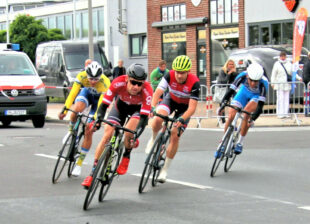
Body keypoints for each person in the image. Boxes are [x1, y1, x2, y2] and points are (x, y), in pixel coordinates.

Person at [81, 63, 153, 188]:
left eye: (139, 84)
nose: (136, 86)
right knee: (107, 135)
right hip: (120, 107)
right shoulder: (117, 82)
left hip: (137, 111)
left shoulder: (147, 90)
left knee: (128, 133)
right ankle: (92, 173)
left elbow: (143, 119)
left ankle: (126, 155)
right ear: (126, 79)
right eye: (133, 82)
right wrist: (98, 120)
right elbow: (103, 106)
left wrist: (136, 135)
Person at [145, 55, 201, 183]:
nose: (179, 76)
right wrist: (153, 107)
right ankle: (153, 139)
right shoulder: (169, 75)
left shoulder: (195, 83)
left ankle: (164, 170)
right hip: (171, 100)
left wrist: (181, 119)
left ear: (188, 72)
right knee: (158, 119)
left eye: (182, 73)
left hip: (185, 108)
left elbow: (192, 108)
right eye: (177, 72)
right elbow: (158, 92)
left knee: (175, 134)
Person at [58, 61, 111, 176]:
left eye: (95, 79)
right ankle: (71, 132)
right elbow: (72, 94)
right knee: (76, 109)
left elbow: (101, 105)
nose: (92, 81)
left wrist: (95, 119)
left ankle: (79, 164)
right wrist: (65, 109)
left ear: (100, 77)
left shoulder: (105, 82)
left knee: (89, 130)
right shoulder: (81, 76)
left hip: (98, 103)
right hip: (86, 94)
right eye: (90, 79)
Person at [217, 63, 268, 157]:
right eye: (251, 80)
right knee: (231, 115)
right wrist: (223, 105)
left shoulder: (264, 83)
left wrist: (253, 118)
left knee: (246, 114)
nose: (253, 83)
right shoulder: (242, 76)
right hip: (243, 92)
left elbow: (260, 107)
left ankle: (240, 142)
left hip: (255, 97)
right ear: (247, 76)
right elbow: (230, 92)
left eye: (256, 81)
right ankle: (224, 141)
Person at [271, 51, 302, 119]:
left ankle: (285, 113)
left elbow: (293, 73)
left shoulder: (289, 63)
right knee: (280, 99)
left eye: (284, 56)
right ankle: (280, 113)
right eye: (281, 56)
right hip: (279, 84)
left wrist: (299, 78)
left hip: (287, 84)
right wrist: (272, 83)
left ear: (285, 56)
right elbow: (274, 74)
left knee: (286, 99)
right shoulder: (277, 64)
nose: (283, 57)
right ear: (280, 57)